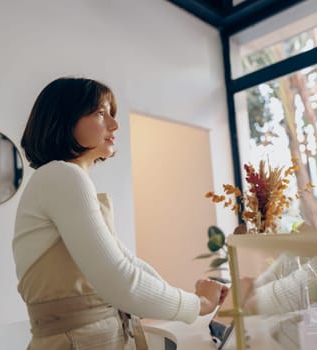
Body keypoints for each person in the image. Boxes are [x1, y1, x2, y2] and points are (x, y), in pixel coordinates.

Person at [13, 77, 228, 350]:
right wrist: (199, 304)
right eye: (101, 113)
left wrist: (189, 300)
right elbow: (121, 280)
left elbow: (130, 265)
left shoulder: (64, 179)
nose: (114, 124)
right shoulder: (62, 176)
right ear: (64, 119)